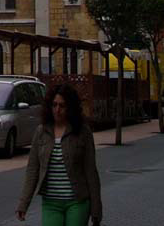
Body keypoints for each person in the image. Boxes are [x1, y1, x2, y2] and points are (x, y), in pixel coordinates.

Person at [16, 84, 102, 226]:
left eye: (62, 106)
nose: (57, 110)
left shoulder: (82, 132)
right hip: (51, 203)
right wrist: (23, 204)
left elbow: (91, 171)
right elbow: (32, 170)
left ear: (71, 108)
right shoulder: (41, 132)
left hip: (77, 202)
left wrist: (96, 210)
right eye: (54, 105)